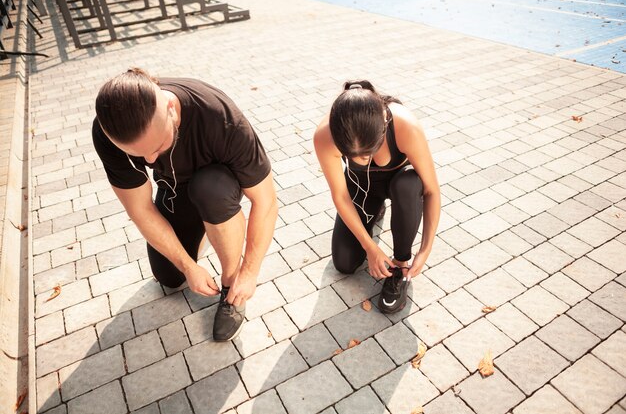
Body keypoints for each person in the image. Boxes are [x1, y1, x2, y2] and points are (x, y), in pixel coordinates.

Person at [92, 68, 278, 341]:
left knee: (209, 189)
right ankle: (206, 232)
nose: (151, 161)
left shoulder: (221, 119)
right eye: (139, 155)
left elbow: (266, 201)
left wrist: (249, 272)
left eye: (158, 146)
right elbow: (140, 210)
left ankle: (230, 283)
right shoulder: (108, 132)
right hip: (175, 190)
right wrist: (189, 267)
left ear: (170, 109)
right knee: (169, 277)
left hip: (216, 187)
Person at [314, 80, 440, 314]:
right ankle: (375, 210)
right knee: (344, 263)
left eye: (369, 152)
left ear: (384, 123)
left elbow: (432, 190)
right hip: (361, 188)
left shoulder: (404, 124)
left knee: (409, 183)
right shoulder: (325, 135)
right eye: (354, 156)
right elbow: (340, 196)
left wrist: (425, 250)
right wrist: (370, 247)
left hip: (401, 186)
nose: (364, 160)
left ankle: (400, 266)